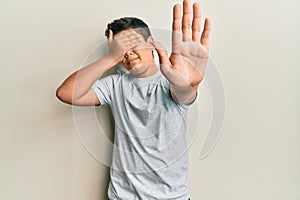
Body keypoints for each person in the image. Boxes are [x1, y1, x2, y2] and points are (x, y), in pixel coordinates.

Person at [56, 0, 211, 199]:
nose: (127, 53)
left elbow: (184, 93)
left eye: (132, 43)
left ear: (151, 43)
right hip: (123, 196)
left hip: (172, 196)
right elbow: (66, 93)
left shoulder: (171, 80)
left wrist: (187, 84)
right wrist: (110, 58)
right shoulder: (114, 84)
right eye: (121, 48)